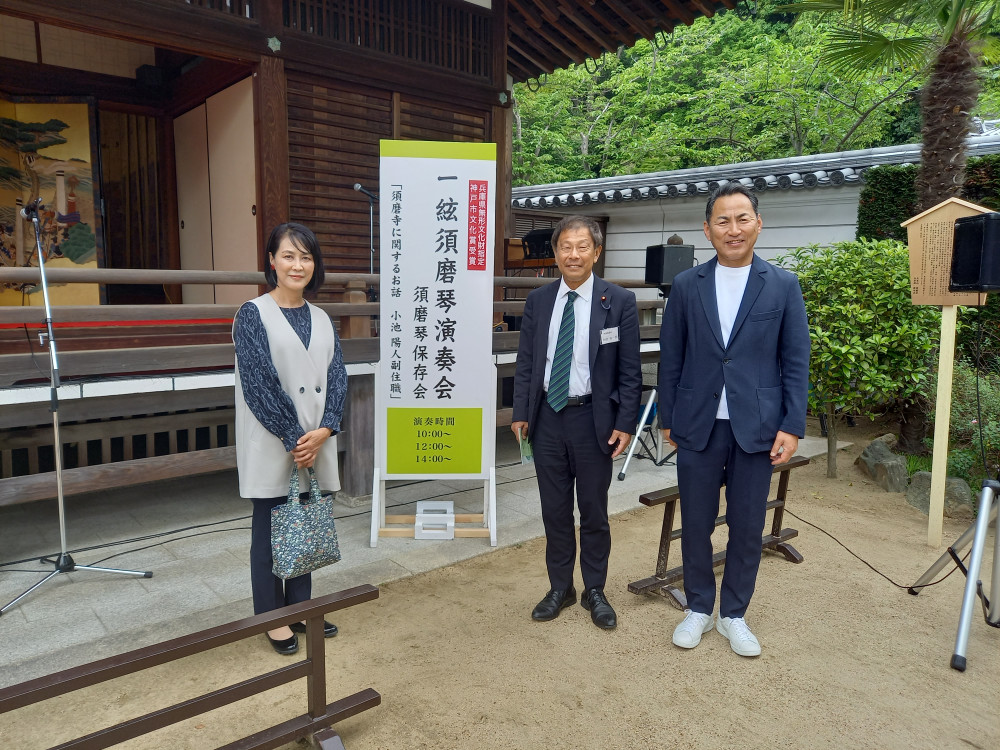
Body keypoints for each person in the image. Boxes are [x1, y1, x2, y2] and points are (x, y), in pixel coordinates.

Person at [658, 182, 810, 657]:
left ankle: (733, 614)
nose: (733, 228)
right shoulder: (686, 286)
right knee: (697, 520)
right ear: (707, 230)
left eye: (742, 218)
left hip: (758, 427)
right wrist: (668, 417)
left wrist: (792, 424)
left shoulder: (782, 284)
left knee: (746, 525)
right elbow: (671, 358)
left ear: (758, 224)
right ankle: (699, 607)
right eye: (722, 220)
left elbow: (795, 358)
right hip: (698, 424)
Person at [511, 215, 642, 630]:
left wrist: (625, 421)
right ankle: (560, 587)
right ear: (555, 253)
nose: (573, 254)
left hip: (594, 420)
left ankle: (595, 589)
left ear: (596, 252)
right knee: (554, 510)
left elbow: (630, 371)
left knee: (594, 510)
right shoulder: (540, 301)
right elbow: (528, 363)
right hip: (548, 418)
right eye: (565, 246)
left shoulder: (617, 301)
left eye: (582, 246)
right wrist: (519, 414)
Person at [233, 222, 348, 655]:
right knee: (269, 529)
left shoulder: (322, 317)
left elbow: (337, 375)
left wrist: (325, 429)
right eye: (288, 255)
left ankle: (300, 606)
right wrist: (295, 437)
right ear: (271, 261)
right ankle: (271, 616)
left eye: (306, 257)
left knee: (306, 524)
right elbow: (258, 383)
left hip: (315, 441)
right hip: (275, 440)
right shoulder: (252, 313)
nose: (297, 265)